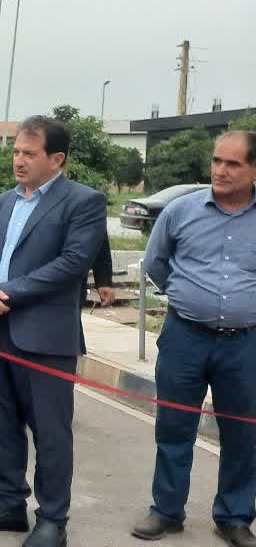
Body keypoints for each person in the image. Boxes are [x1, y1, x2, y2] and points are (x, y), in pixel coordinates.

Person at [0, 115, 106, 547]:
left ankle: (53, 518)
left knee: (50, 431)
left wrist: (4, 293)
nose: (18, 160)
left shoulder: (83, 201)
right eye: (17, 152)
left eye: (29, 153)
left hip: (45, 336)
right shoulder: (3, 202)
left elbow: (72, 264)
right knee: (1, 424)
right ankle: (8, 503)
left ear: (56, 159)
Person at [132, 131, 256, 547]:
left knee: (243, 432)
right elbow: (156, 262)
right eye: (217, 160)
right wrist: (189, 296)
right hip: (184, 336)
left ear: (254, 169)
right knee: (173, 425)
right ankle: (166, 511)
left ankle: (234, 517)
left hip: (246, 345)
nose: (220, 170)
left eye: (232, 163)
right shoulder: (181, 211)